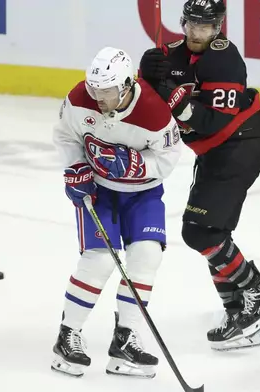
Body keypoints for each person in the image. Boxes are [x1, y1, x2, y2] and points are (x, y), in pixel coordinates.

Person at [139, 0, 260, 351]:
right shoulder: (171, 53)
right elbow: (146, 103)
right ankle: (239, 314)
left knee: (198, 231)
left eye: (203, 26)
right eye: (190, 24)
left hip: (238, 148)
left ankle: (258, 290)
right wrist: (146, 76)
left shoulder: (226, 60)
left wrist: (170, 98)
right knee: (212, 233)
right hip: (213, 153)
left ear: (218, 26)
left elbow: (211, 120)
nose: (194, 32)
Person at [51, 46, 183, 378]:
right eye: (94, 88)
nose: (98, 97)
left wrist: (136, 164)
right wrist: (75, 168)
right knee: (99, 259)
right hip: (99, 191)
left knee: (147, 257)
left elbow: (167, 160)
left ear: (125, 86)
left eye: (106, 91)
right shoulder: (80, 98)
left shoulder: (154, 113)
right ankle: (68, 335)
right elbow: (65, 136)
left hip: (143, 194)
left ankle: (125, 339)